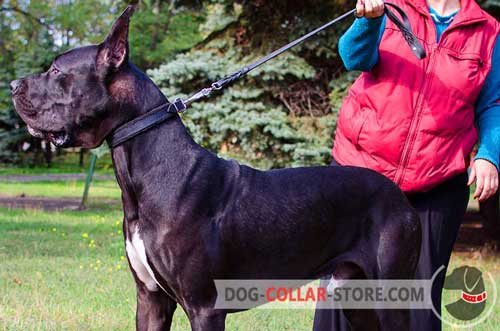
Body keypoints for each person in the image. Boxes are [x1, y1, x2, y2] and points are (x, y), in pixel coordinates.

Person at [313, 0, 499, 330]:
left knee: (416, 302)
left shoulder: (488, 31)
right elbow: (353, 57)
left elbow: (493, 104)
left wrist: (489, 155)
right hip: (360, 176)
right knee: (342, 294)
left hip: (435, 184)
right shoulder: (393, 6)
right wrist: (368, 21)